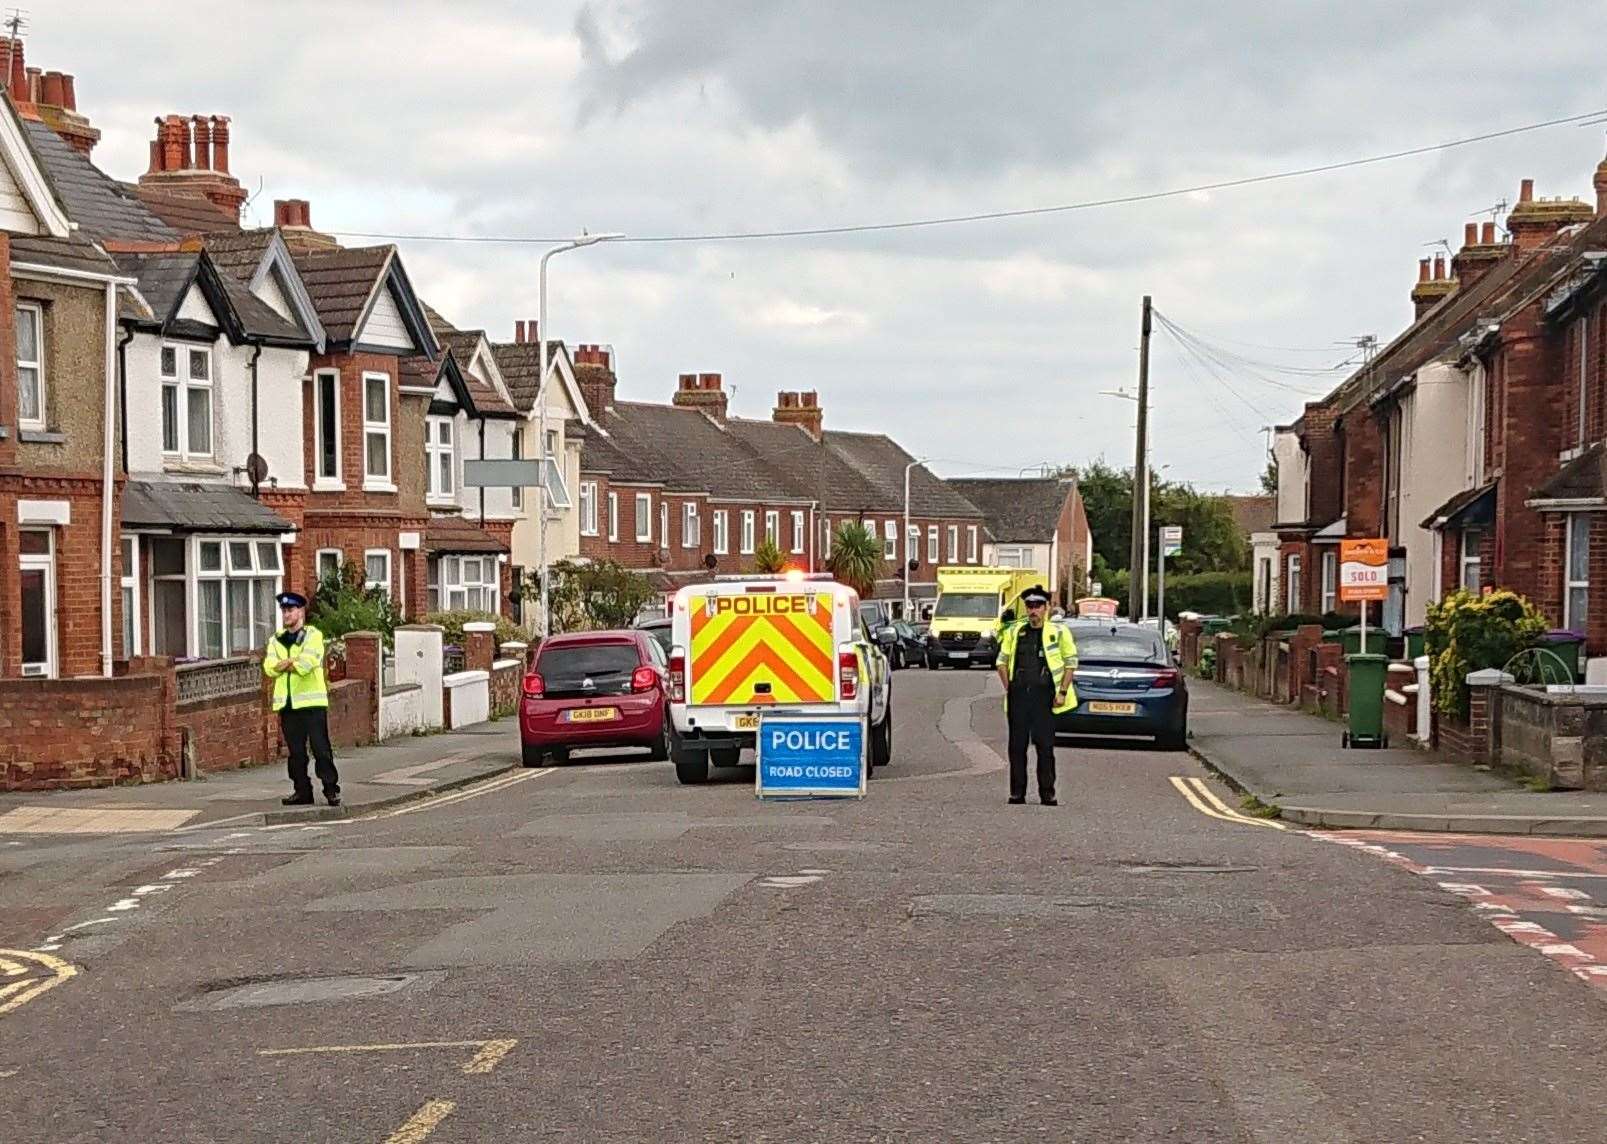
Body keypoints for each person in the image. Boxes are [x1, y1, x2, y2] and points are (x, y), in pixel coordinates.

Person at [995, 585, 1078, 806]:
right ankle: (1017, 792)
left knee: (1045, 746)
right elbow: (1001, 662)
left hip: (1045, 696)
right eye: (1030, 606)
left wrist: (1062, 692)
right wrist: (1009, 688)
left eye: (1038, 606)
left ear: (1046, 608)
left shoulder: (1059, 632)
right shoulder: (1015, 631)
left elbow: (1071, 664)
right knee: (1017, 746)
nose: (1033, 610)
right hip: (1019, 696)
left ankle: (1047, 793)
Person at [263, 592, 341, 807]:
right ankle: (302, 791)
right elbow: (269, 668)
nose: (286, 614)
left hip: (312, 703)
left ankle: (331, 789)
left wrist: (286, 664)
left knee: (320, 749)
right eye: (284, 611)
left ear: (301, 612)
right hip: (287, 704)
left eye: (290, 610)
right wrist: (290, 662)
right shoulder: (276, 640)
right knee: (296, 753)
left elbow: (307, 664)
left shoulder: (313, 636)